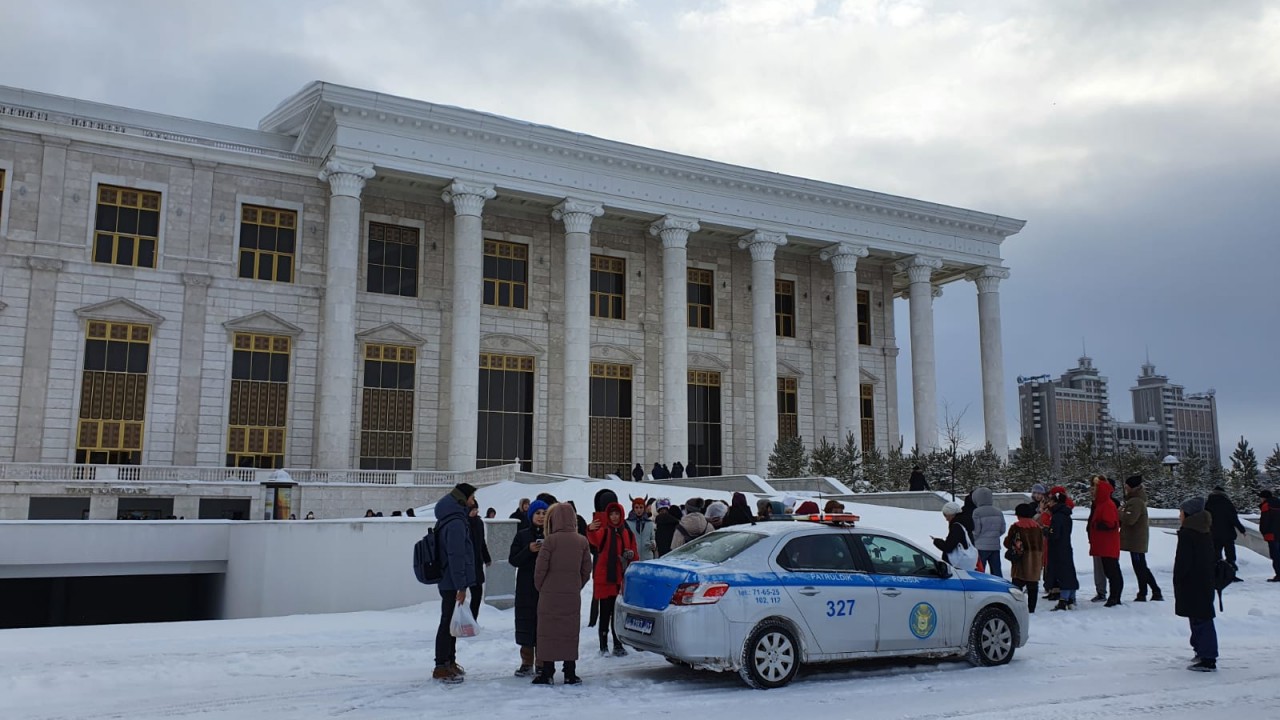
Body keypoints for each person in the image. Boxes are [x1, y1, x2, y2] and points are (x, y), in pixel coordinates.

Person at [534, 503, 592, 685]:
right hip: (571, 594)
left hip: (549, 595)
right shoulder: (582, 541)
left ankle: (547, 671)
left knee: (548, 632)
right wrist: (576, 586)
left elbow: (540, 570)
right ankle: (570, 672)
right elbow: (586, 570)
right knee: (569, 632)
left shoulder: (550, 541)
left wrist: (542, 587)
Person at [432, 483, 477, 684]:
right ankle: (441, 664)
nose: (473, 501)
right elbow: (456, 555)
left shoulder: (449, 517)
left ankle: (449, 661)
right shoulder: (456, 522)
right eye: (472, 497)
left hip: (448, 578)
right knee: (447, 622)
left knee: (451, 621)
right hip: (452, 581)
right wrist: (461, 585)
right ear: (463, 498)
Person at [1174, 496, 1218, 671]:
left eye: (1181, 512)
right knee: (1200, 616)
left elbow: (1183, 562)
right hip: (1204, 580)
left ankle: (1207, 657)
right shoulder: (1203, 531)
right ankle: (1202, 652)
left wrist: (1178, 579)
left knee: (1200, 618)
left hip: (1193, 581)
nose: (1179, 516)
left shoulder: (1188, 534)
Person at [588, 501, 638, 656]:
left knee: (617, 614)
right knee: (605, 613)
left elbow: (635, 554)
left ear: (621, 515)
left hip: (620, 579)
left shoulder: (627, 533)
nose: (614, 517)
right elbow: (594, 540)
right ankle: (603, 646)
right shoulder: (604, 531)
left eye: (617, 514)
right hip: (605, 579)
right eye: (611, 514)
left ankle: (617, 644)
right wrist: (589, 530)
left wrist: (630, 556)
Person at [509, 499, 548, 677]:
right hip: (526, 587)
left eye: (544, 513)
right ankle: (526, 662)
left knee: (543, 624)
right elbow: (513, 560)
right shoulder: (522, 535)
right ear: (531, 515)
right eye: (537, 513)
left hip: (545, 587)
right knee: (525, 623)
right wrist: (528, 550)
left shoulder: (551, 536)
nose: (540, 517)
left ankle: (541, 661)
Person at [1120, 476, 1163, 602]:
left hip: (1136, 541)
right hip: (1136, 540)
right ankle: (1148, 592)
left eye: (1127, 485)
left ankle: (1150, 591)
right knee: (1140, 567)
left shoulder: (1136, 501)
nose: (1125, 487)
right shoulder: (1135, 500)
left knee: (1140, 567)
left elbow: (1130, 519)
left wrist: (1119, 512)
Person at [1087, 475, 1124, 606]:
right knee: (1109, 570)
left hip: (1107, 544)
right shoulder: (1101, 504)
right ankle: (1114, 596)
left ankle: (1115, 596)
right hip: (1103, 543)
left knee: (1112, 570)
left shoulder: (1107, 504)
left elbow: (1112, 524)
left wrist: (1097, 525)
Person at [1004, 503, 1045, 612]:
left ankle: (1017, 608)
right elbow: (1042, 544)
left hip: (1021, 561)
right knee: (1033, 586)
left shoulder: (1016, 527)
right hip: (1035, 559)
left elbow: (1008, 542)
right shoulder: (1037, 527)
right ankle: (1031, 609)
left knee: (1017, 587)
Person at [1046, 490, 1080, 611]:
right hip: (1066, 546)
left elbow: (1055, 534)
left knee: (1062, 573)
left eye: (1050, 501)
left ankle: (1064, 599)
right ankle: (1071, 597)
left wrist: (1046, 531)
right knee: (1069, 571)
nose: (1048, 503)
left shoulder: (1057, 516)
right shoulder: (1065, 515)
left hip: (1058, 548)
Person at [1205, 486, 1247, 569]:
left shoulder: (1208, 503)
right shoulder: (1227, 503)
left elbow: (1205, 518)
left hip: (1213, 533)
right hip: (1228, 533)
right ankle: (1231, 570)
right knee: (1230, 553)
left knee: (1216, 553)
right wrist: (1242, 530)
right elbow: (1233, 518)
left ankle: (1217, 572)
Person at [971, 487, 1007, 577]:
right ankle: (999, 589)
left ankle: (980, 589)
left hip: (981, 546)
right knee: (996, 571)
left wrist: (974, 539)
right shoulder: (998, 512)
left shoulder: (977, 512)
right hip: (995, 546)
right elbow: (1002, 529)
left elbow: (976, 530)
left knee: (980, 572)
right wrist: (995, 536)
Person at [466, 497, 492, 620]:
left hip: (477, 563)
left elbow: (482, 542)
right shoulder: (462, 523)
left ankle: (472, 620)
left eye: (476, 509)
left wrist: (486, 558)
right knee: (460, 595)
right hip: (465, 564)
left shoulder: (479, 523)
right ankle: (459, 620)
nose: (475, 512)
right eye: (473, 510)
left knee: (477, 595)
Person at [932, 501, 976, 568]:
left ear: (952, 514)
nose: (946, 519)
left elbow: (949, 547)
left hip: (957, 563)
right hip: (965, 559)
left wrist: (937, 541)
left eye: (946, 515)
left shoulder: (956, 526)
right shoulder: (965, 522)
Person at [626, 496, 657, 560]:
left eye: (641, 507)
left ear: (644, 508)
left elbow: (652, 538)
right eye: (636, 507)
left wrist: (653, 544)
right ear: (633, 508)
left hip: (647, 559)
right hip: (633, 559)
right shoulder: (627, 523)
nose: (639, 510)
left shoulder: (649, 523)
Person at [1261, 490, 1280, 581]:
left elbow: (1265, 521)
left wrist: (1263, 532)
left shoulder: (1266, 506)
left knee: (1275, 555)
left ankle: (1279, 574)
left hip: (1272, 534)